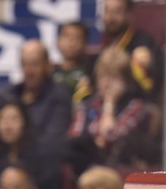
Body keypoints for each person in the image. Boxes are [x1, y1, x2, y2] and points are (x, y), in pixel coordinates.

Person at [66, 45, 155, 175]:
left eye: (114, 77)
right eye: (103, 76)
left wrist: (109, 103)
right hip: (88, 169)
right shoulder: (88, 104)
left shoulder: (136, 107)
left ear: (126, 81)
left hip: (120, 170)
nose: (106, 83)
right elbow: (75, 136)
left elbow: (111, 137)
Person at [0, 39, 72, 158]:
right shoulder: (5, 95)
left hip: (39, 162)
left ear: (47, 65)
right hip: (1, 160)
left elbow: (52, 141)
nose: (29, 71)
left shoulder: (59, 97)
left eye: (35, 64)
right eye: (25, 64)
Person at [99, 0, 162, 99]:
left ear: (129, 14)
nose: (110, 18)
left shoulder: (144, 44)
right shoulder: (103, 47)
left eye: (117, 12)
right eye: (107, 11)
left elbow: (151, 88)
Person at [53, 20, 91, 105]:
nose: (71, 42)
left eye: (77, 38)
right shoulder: (49, 71)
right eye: (67, 36)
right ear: (58, 41)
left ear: (85, 43)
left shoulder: (89, 72)